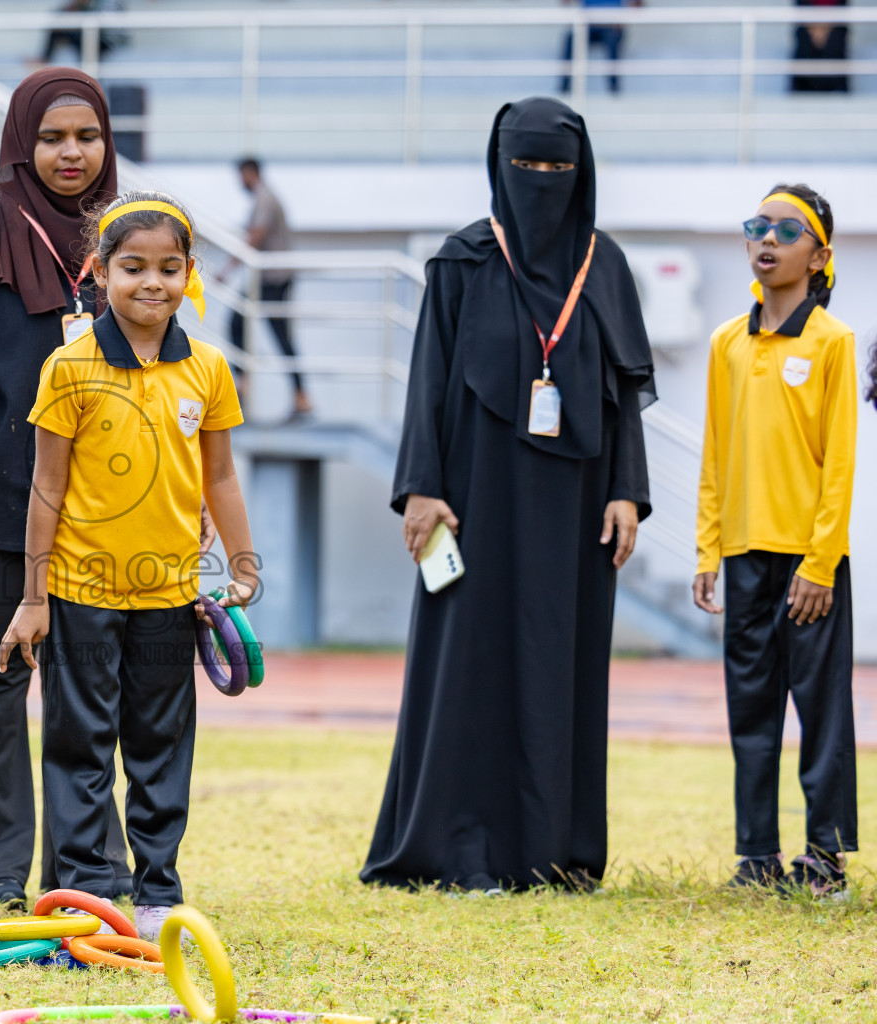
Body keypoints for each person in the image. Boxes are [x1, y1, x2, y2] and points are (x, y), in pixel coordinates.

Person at [361, 98, 655, 893]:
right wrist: (421, 487)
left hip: (577, 505)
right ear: (498, 167)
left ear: (582, 172)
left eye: (559, 169)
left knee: (561, 663)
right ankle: (453, 847)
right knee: (469, 662)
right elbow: (425, 382)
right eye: (527, 167)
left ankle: (551, 851)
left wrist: (628, 492)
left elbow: (625, 393)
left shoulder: (608, 266)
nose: (542, 183)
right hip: (473, 502)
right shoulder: (461, 262)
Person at [0, 67, 149, 913]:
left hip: (103, 515)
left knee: (91, 689)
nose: (71, 152)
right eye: (51, 137)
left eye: (87, 136)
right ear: (21, 143)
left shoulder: (130, 238)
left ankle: (88, 873)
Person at [0, 190, 257, 941]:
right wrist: (34, 597)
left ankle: (158, 892)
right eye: (133, 267)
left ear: (189, 273)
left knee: (160, 747)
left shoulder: (207, 369)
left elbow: (221, 479)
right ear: (100, 272)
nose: (153, 283)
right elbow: (46, 488)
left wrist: (240, 564)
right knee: (80, 745)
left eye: (170, 269)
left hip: (170, 594)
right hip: (81, 592)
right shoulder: (68, 368)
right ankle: (82, 898)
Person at [693, 184, 857, 896]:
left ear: (819, 255)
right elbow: (714, 453)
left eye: (787, 231)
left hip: (809, 562)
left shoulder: (833, 342)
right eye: (757, 226)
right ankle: (756, 858)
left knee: (820, 712)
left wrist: (819, 562)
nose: (767, 240)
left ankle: (825, 861)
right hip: (742, 555)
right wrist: (709, 548)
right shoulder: (727, 342)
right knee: (750, 708)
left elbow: (840, 463)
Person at [220, 157, 312, 421]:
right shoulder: (264, 197)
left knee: (275, 333)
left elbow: (256, 236)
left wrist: (228, 270)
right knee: (241, 323)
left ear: (251, 173)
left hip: (275, 277)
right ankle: (248, 384)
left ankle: (298, 396)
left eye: (241, 176)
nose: (240, 182)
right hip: (268, 277)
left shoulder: (265, 198)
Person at [559, 0, 642, 96]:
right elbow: (565, 2)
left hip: (611, 27)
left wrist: (622, 17)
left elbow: (639, 4)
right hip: (587, 26)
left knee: (612, 40)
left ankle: (614, 90)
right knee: (570, 40)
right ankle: (564, 89)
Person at [38, 0, 127, 66]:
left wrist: (81, 7)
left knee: (65, 31)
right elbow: (59, 13)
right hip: (94, 36)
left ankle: (45, 59)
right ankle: (45, 59)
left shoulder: (108, 3)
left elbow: (105, 25)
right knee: (59, 28)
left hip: (106, 41)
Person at [791, 0, 850, 94]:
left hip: (834, 27)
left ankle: (839, 93)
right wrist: (814, 29)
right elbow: (801, 7)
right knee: (804, 41)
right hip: (808, 27)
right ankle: (799, 94)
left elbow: (842, 7)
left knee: (835, 41)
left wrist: (824, 29)